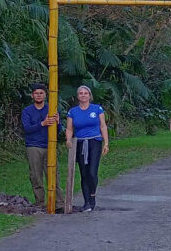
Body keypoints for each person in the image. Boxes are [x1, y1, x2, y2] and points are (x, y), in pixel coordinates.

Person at [21, 83, 64, 212]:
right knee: (36, 176)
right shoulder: (27, 111)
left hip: (50, 145)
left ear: (45, 95)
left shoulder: (51, 109)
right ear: (32, 95)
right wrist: (42, 123)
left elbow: (58, 131)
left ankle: (59, 204)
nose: (38, 95)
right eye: (36, 93)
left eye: (41, 93)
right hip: (34, 146)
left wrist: (57, 122)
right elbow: (27, 129)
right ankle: (40, 203)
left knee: (53, 174)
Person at [66, 85, 109, 212]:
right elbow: (69, 128)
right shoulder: (73, 111)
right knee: (84, 173)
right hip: (80, 143)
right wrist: (68, 140)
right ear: (77, 96)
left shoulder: (97, 109)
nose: (83, 95)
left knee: (92, 172)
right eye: (81, 93)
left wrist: (106, 143)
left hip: (95, 141)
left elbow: (103, 126)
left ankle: (92, 196)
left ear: (89, 96)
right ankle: (86, 202)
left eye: (86, 93)